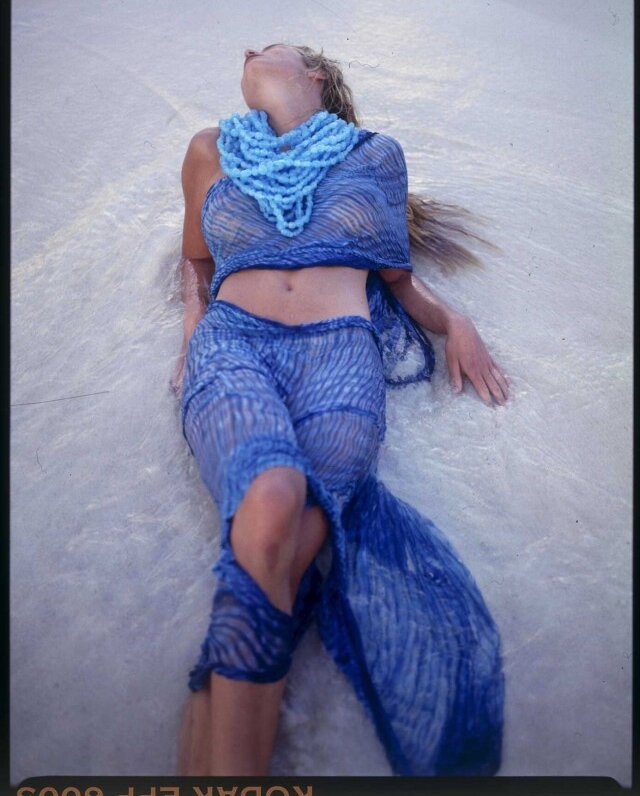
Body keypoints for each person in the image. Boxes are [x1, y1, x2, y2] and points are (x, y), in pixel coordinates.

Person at [173, 43, 508, 777]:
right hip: (235, 344)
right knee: (272, 498)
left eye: (271, 47)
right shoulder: (209, 151)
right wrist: (194, 325)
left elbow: (399, 279)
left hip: (341, 359)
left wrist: (455, 321)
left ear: (315, 75)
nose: (249, 50)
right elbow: (197, 259)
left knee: (276, 555)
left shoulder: (374, 155)